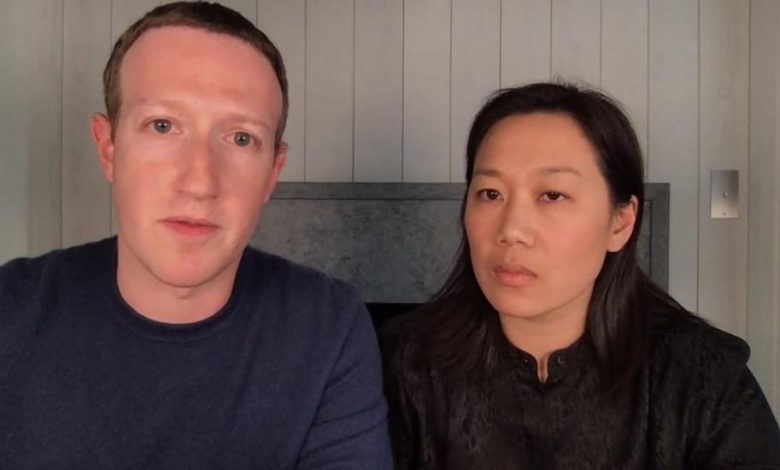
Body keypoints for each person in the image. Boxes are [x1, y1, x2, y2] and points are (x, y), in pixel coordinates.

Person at [0, 2, 391, 468]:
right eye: (163, 126)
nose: (200, 182)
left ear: (272, 172)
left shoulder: (328, 326)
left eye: (241, 138)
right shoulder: (10, 310)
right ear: (108, 148)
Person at [381, 82, 780, 469]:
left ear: (620, 223)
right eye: (491, 193)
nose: (511, 229)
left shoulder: (701, 376)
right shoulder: (402, 361)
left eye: (552, 195)